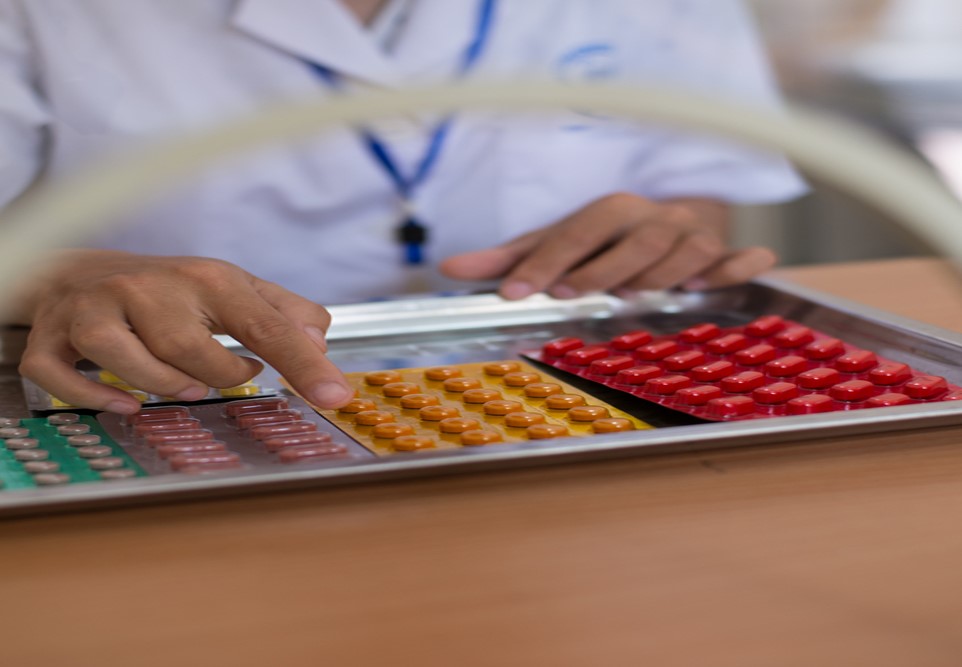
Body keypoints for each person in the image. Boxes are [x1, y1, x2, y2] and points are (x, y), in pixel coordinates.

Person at [0, 0, 807, 414]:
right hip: (182, 404)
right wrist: (61, 275)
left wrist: (665, 242)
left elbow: (695, 193)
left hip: (563, 405)